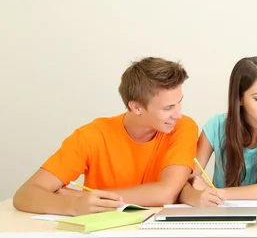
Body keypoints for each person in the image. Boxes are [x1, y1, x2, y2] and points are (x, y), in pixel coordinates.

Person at [13, 57, 198, 215]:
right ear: (137, 107)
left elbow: (166, 193)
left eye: (179, 103)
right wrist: (74, 205)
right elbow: (25, 195)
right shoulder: (92, 136)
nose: (178, 114)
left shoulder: (183, 127)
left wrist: (89, 197)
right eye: (168, 108)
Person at [179, 56, 257, 207]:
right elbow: (185, 178)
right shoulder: (216, 126)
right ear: (239, 99)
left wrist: (218, 193)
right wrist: (194, 193)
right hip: (222, 215)